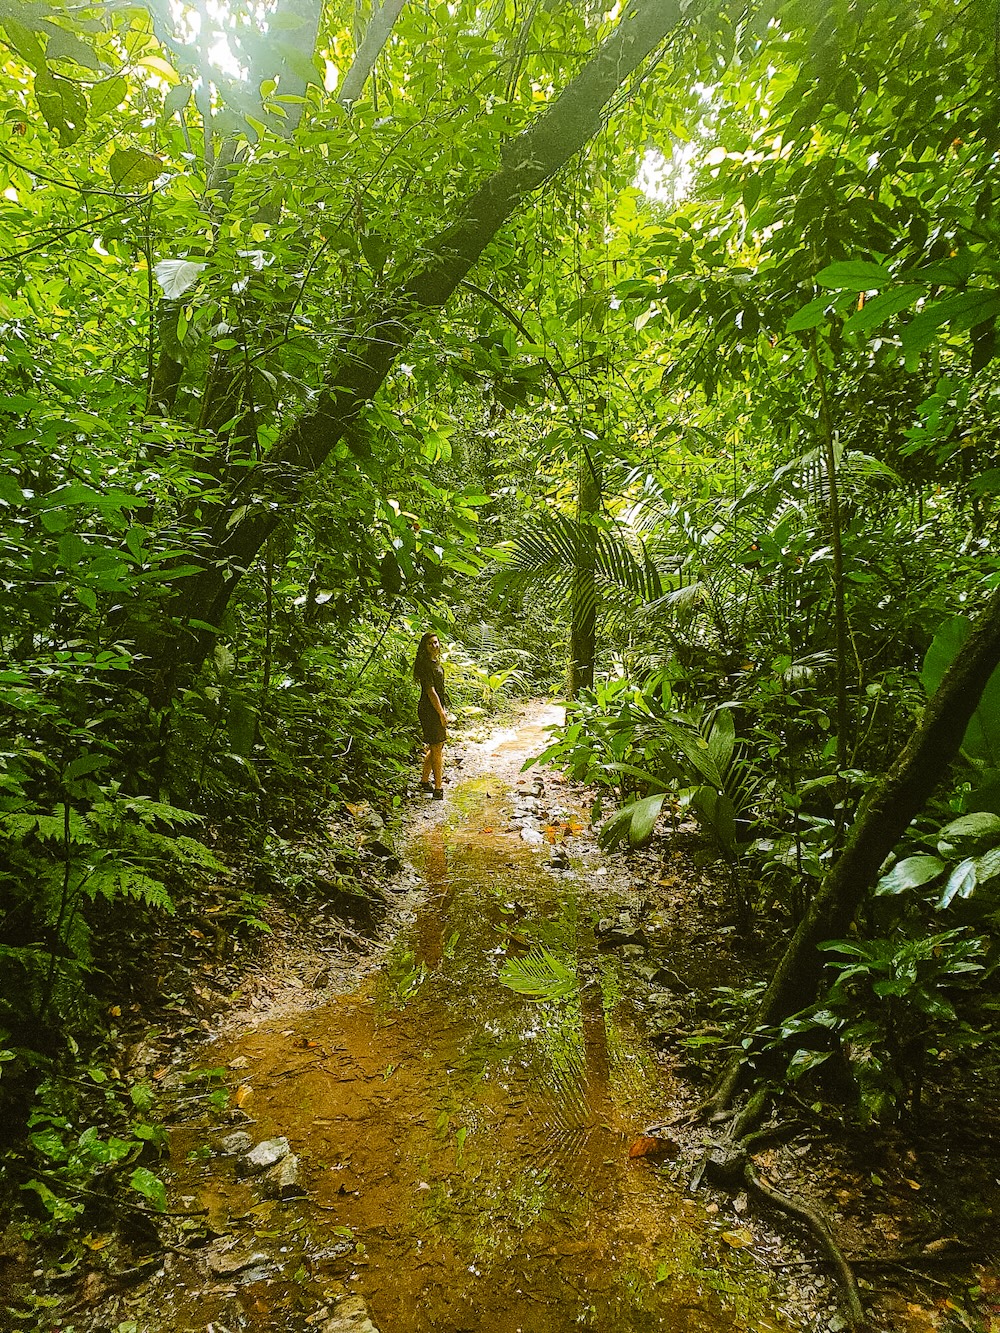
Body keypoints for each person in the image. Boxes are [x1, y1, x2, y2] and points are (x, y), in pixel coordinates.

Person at [413, 631, 448, 799]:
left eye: (436, 642)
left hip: (437, 707)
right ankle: (438, 788)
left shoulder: (435, 663)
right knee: (436, 747)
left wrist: (444, 709)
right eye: (430, 643)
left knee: (436, 746)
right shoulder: (425, 665)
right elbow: (430, 691)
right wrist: (440, 712)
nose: (434, 645)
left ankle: (425, 781)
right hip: (429, 709)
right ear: (424, 647)